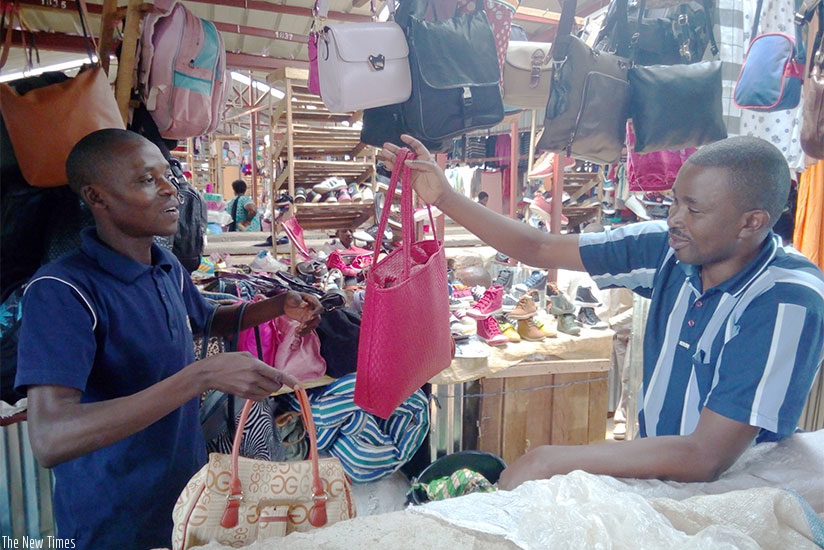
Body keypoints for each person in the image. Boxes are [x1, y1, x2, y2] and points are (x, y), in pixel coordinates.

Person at [380, 134, 824, 489]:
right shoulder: (672, 248)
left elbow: (707, 456)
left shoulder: (786, 301)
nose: (674, 218)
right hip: (659, 472)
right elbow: (540, 246)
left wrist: (550, 458)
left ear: (753, 222)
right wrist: (445, 198)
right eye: (674, 201)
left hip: (736, 491)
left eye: (694, 208)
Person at [14, 129, 322, 549]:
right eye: (146, 180)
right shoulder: (62, 291)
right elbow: (51, 438)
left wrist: (277, 304)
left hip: (184, 498)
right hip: (113, 519)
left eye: (168, 175)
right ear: (97, 197)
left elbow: (206, 319)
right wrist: (200, 376)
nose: (170, 190)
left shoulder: (165, 266)